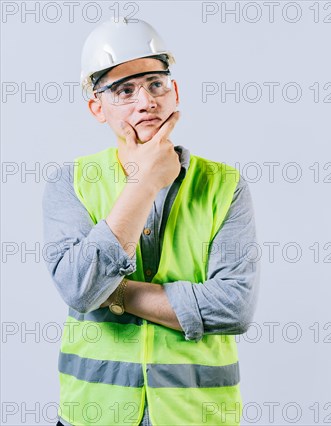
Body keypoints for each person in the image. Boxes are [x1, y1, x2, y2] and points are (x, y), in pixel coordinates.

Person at [42, 18, 260, 426]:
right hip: (93, 414)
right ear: (97, 107)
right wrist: (142, 186)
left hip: (197, 417)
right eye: (125, 90)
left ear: (174, 91)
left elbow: (235, 308)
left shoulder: (225, 185)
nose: (146, 101)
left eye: (156, 83)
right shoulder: (70, 182)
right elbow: (77, 288)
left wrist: (115, 293)